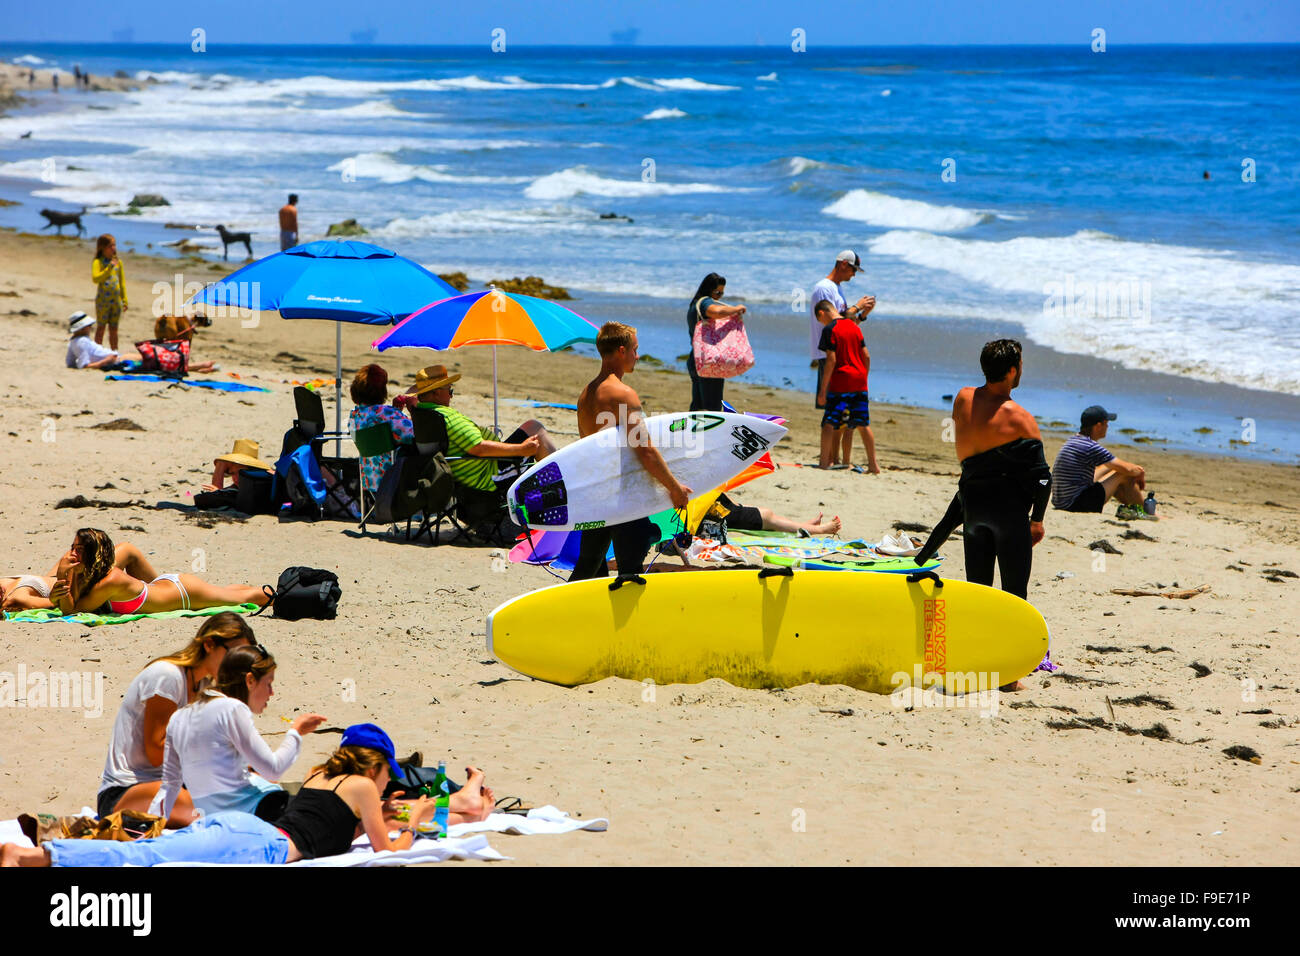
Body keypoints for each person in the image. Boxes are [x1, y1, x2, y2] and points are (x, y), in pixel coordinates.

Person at [2, 724, 495, 866]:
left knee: (148, 841)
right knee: (149, 846)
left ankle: (43, 844)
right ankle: (39, 851)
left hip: (245, 824)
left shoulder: (322, 776)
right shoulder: (367, 790)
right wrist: (410, 825)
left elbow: (432, 811)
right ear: (380, 767)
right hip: (255, 833)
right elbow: (392, 842)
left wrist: (453, 796)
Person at [914, 338, 1051, 605]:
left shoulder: (963, 398)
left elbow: (977, 451)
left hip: (972, 509)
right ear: (1012, 371)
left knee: (978, 594)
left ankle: (978, 642)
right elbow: (1044, 479)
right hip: (1009, 515)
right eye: (1021, 364)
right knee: (1014, 597)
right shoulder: (1021, 418)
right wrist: (1037, 521)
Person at [97, 613, 255, 826]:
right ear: (209, 644)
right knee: (203, 807)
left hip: (169, 783)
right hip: (126, 791)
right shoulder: (168, 677)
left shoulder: (201, 685)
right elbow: (155, 753)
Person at [149, 644, 325, 823]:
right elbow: (273, 770)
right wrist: (296, 732)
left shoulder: (180, 716)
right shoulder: (232, 708)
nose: (271, 693)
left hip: (209, 819)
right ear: (250, 681)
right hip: (257, 812)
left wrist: (151, 824)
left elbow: (169, 786)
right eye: (268, 684)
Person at [571, 322, 692, 581]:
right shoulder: (623, 394)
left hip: (596, 493)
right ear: (622, 350)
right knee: (629, 575)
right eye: (635, 350)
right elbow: (644, 450)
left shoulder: (586, 393)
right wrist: (674, 488)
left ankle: (565, 618)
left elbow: (588, 448)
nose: (637, 356)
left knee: (588, 569)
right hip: (622, 497)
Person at [406, 364, 554, 499]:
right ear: (437, 393)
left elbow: (411, 393)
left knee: (531, 426)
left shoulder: (420, 413)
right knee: (537, 432)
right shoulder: (445, 417)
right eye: (450, 390)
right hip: (487, 476)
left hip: (463, 475)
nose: (451, 396)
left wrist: (419, 391)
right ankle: (565, 479)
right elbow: (479, 448)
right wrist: (522, 449)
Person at [51, 527, 270, 616]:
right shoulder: (93, 572)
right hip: (165, 585)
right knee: (226, 593)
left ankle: (287, 595)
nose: (72, 553)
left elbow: (73, 611)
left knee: (246, 597)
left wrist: (63, 575)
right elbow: (70, 601)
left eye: (79, 550)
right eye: (73, 547)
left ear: (93, 554)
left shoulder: (112, 579)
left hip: (184, 592)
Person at [810, 250, 874, 463]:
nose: (854, 275)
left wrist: (862, 315)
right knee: (833, 412)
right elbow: (834, 321)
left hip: (839, 356)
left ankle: (835, 458)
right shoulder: (824, 288)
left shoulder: (835, 289)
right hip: (829, 354)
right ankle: (831, 458)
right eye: (853, 269)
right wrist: (857, 307)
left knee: (841, 413)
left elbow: (845, 325)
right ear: (843, 264)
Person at [1, 539, 162, 613]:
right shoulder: (16, 597)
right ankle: (161, 590)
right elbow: (53, 603)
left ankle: (159, 589)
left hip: (57, 578)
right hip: (78, 585)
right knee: (127, 550)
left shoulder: (4, 583)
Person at [1052, 405, 1149, 519]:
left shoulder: (1073, 440)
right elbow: (1128, 469)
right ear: (1098, 426)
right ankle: (1145, 512)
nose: (1107, 427)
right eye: (1106, 424)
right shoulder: (1090, 446)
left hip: (1061, 501)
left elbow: (1114, 465)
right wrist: (1141, 473)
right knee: (1123, 474)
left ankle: (1132, 506)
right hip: (1076, 504)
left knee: (1109, 468)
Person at [816, 299, 879, 473]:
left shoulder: (830, 329)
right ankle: (873, 465)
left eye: (820, 320)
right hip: (859, 381)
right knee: (862, 424)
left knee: (829, 423)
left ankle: (823, 463)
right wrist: (862, 377)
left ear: (822, 313)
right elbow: (866, 356)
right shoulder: (854, 327)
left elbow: (831, 360)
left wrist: (823, 389)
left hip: (841, 382)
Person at [348, 364, 415, 494]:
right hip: (396, 481)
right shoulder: (388, 414)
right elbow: (415, 435)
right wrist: (413, 411)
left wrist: (396, 411)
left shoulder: (354, 416)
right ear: (382, 390)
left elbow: (379, 428)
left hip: (371, 481)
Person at [686, 272, 746, 412]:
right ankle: (708, 434)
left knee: (698, 406)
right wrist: (737, 309)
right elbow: (716, 311)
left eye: (722, 294)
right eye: (717, 292)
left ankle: (693, 433)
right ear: (708, 290)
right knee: (712, 408)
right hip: (709, 361)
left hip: (695, 358)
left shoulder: (694, 305)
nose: (719, 296)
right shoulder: (705, 302)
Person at [710, 493, 840, 536]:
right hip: (711, 512)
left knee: (761, 513)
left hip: (712, 505)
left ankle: (802, 526)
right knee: (766, 516)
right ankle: (819, 529)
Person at [91, 234, 126, 352]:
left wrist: (124, 299)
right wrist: (108, 268)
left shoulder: (118, 262)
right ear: (103, 247)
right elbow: (96, 278)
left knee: (114, 329)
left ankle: (114, 352)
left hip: (116, 301)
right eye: (111, 246)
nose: (114, 248)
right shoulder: (98, 262)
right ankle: (97, 351)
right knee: (101, 328)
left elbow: (122, 282)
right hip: (103, 301)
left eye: (114, 245)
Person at [152, 314, 219, 373]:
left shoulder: (180, 317)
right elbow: (186, 348)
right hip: (170, 327)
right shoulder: (187, 326)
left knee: (162, 345)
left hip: (159, 327)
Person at [203, 439, 273, 492]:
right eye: (232, 473)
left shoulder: (265, 483)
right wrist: (221, 464)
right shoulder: (237, 488)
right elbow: (217, 490)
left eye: (240, 473)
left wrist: (218, 492)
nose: (235, 478)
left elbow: (217, 494)